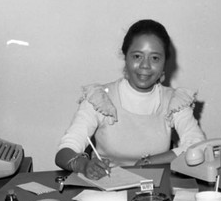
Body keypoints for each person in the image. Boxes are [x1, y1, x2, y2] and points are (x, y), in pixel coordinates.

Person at [55, 19, 206, 180]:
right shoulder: (100, 98)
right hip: (107, 191)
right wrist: (83, 165)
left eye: (155, 58)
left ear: (164, 63)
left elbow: (198, 146)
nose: (145, 66)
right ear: (125, 57)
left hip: (155, 193)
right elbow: (64, 152)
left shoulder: (175, 101)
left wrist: (148, 162)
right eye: (137, 56)